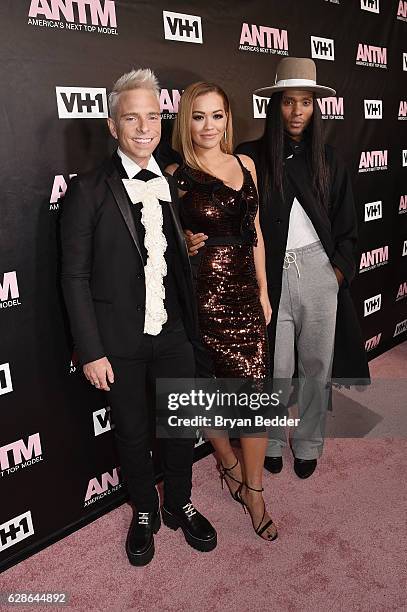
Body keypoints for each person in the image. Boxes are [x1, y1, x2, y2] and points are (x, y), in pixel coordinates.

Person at [60, 68, 217, 567]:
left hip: (173, 333)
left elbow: (163, 258)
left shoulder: (170, 181)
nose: (145, 127)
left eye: (153, 116)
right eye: (132, 117)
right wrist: (91, 349)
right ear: (113, 125)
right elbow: (74, 277)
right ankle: (145, 511)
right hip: (118, 341)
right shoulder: (87, 189)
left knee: (179, 424)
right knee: (130, 432)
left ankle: (179, 503)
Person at [187, 58, 370, 480]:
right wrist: (188, 234)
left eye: (305, 102)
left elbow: (348, 226)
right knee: (275, 367)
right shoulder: (249, 157)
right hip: (271, 277)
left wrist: (336, 274)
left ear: (314, 108)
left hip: (319, 273)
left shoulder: (329, 159)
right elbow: (211, 189)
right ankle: (267, 441)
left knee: (316, 365)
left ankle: (307, 443)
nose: (296, 111)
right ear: (276, 105)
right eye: (289, 102)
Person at [166, 82, 277, 541]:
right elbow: (163, 247)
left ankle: (253, 490)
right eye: (198, 116)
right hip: (201, 298)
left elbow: (255, 233)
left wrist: (265, 292)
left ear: (228, 119)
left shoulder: (245, 164)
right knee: (205, 393)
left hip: (245, 299)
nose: (208, 125)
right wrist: (185, 243)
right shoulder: (175, 175)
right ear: (185, 121)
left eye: (217, 115)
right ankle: (228, 466)